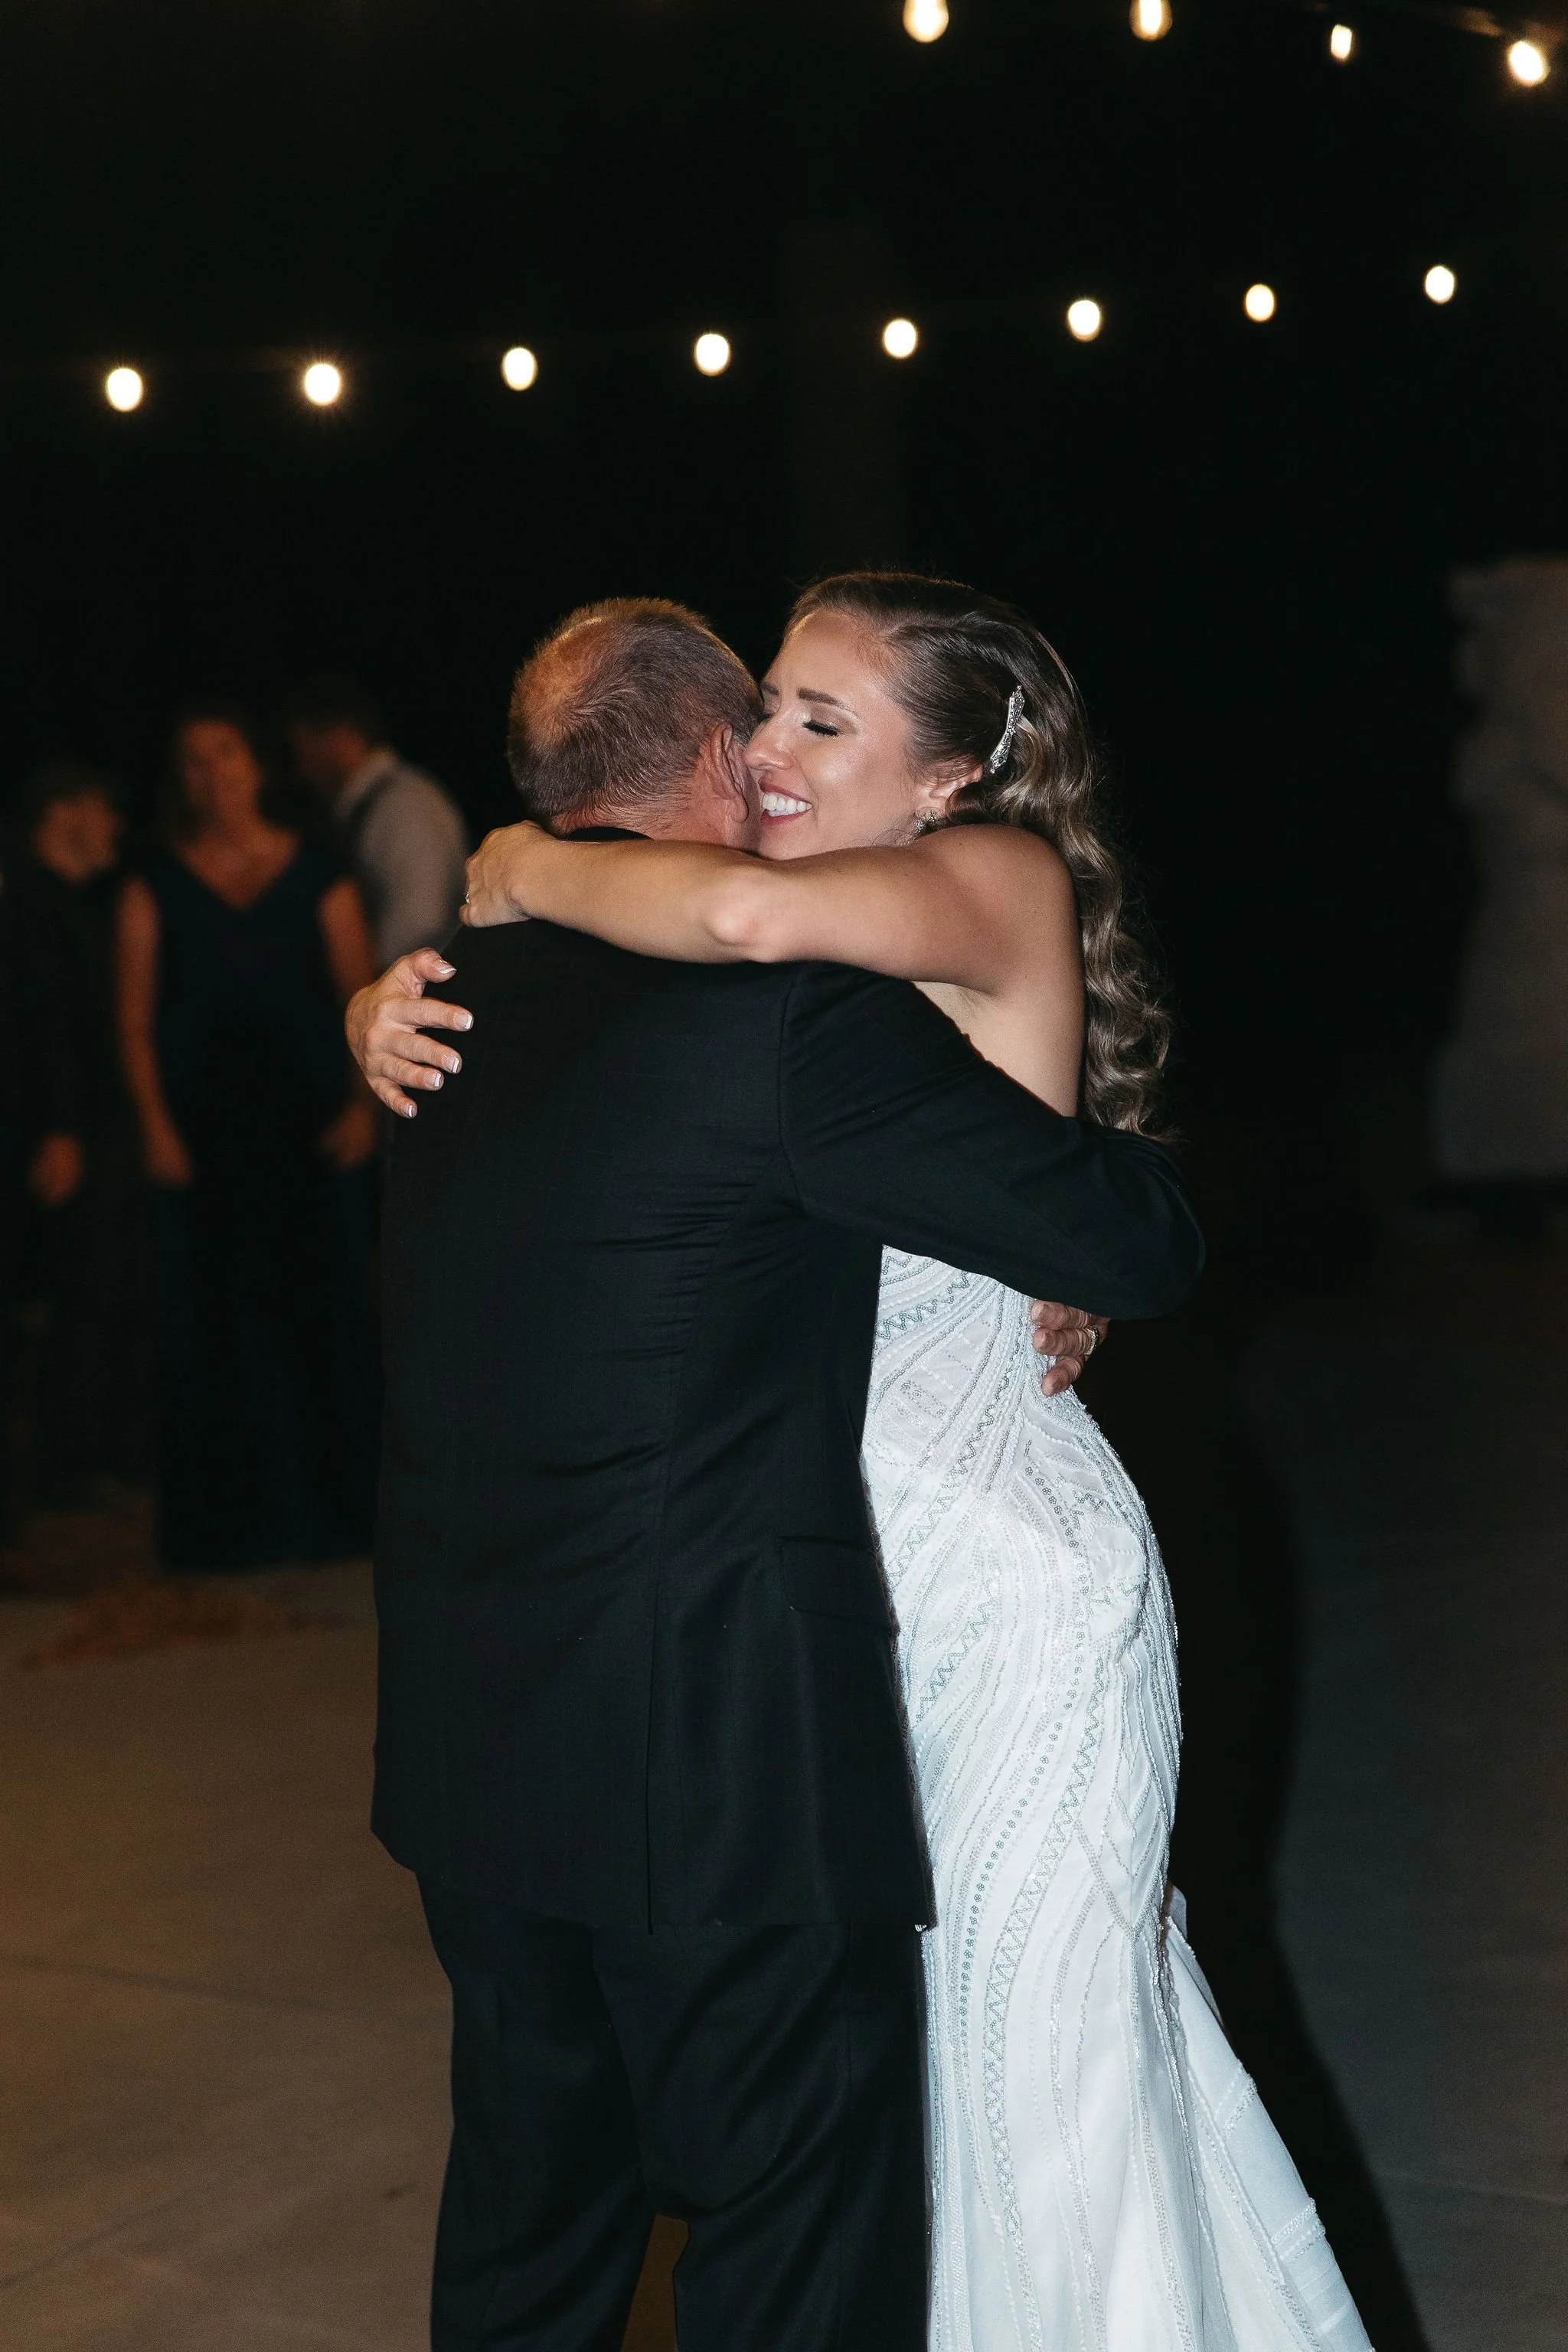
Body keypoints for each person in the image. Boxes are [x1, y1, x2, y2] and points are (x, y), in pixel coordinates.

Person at [364, 577, 1372, 2348]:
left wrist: (514, 866)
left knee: (1035, 2091)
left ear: (949, 773)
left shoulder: (954, 880)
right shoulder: (726, 966)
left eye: (817, 717)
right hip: (823, 1614)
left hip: (982, 1576)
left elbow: (741, 920)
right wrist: (405, 976)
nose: (766, 745)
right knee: (888, 2118)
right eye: (761, 708)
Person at [117, 703, 381, 1570]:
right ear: (180, 780)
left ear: (255, 765)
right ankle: (228, 1534)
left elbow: (360, 992)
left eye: (224, 753)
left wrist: (361, 1107)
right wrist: (155, 1124)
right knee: (216, 1321)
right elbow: (135, 1021)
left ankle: (336, 1519)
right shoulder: (153, 880)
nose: (212, 773)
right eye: (193, 760)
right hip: (206, 1134)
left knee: (324, 1311)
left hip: (309, 1127)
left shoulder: (317, 868)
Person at [21, 760, 151, 1501]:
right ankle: (67, 1471)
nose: (114, 828)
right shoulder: (35, 907)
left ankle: (85, 1462)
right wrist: (63, 1128)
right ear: (66, 812)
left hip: (91, 1131)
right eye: (103, 809)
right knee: (85, 1293)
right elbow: (46, 1029)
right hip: (72, 1137)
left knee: (100, 1289)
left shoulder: (64, 903)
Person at [283, 672, 469, 963]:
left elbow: (420, 931)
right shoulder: (375, 806)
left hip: (424, 991)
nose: (301, 771)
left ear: (341, 738)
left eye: (303, 751)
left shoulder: (404, 807)